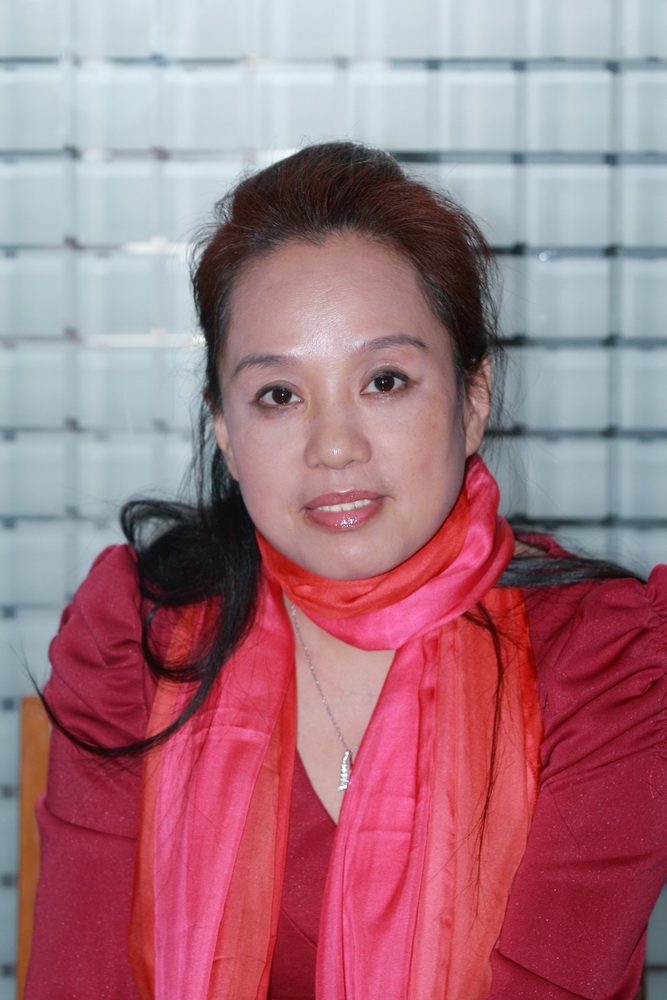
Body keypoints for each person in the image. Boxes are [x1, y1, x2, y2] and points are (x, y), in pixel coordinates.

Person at [27, 142, 667, 1000]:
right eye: (279, 395)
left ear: (473, 399)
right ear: (224, 430)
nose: (333, 447)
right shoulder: (136, 641)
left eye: (385, 380)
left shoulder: (607, 664)